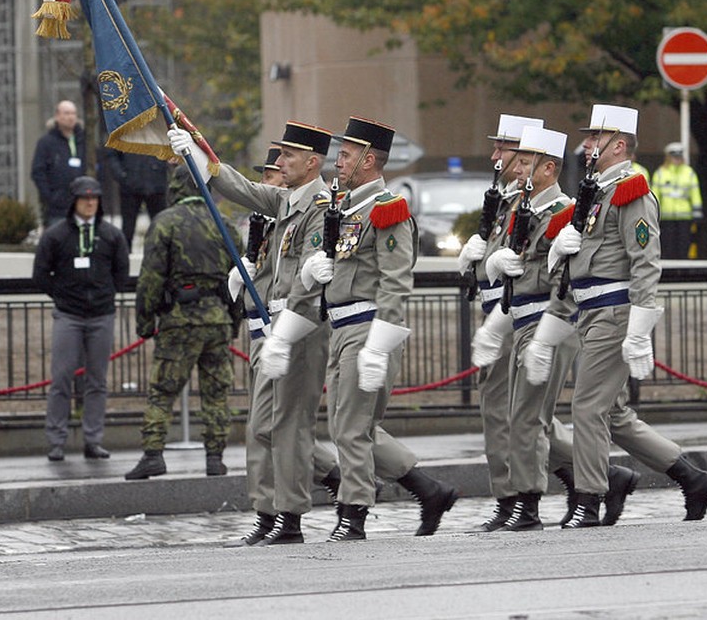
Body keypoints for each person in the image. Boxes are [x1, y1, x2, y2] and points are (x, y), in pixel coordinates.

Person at [529, 104, 707, 527]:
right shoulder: (596, 192)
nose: (586, 146)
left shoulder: (630, 189)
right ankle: (694, 480)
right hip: (590, 312)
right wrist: (559, 251)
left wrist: (638, 331)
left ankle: (589, 498)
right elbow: (579, 272)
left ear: (619, 145)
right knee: (613, 414)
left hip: (614, 314)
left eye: (595, 139)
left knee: (587, 408)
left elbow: (645, 262)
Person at [299, 116, 459, 541]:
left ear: (369, 161)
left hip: (369, 328)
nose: (339, 162)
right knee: (349, 425)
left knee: (351, 428)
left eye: (348, 155)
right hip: (342, 326)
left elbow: (396, 279)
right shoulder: (346, 208)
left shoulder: (386, 209)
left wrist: (378, 344)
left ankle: (353, 515)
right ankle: (430, 491)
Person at [201, 122, 338, 546]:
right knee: (260, 426)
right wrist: (201, 159)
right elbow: (240, 188)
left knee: (291, 426)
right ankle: (266, 509)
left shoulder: (320, 205)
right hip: (273, 325)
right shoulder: (284, 200)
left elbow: (311, 276)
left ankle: (290, 517)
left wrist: (283, 334)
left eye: (287, 157)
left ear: (312, 163)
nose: (278, 163)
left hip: (300, 326)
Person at [455, 114, 543, 532]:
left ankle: (523, 498)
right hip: (495, 316)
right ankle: (509, 497)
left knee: (519, 417)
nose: (495, 155)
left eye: (503, 149)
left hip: (519, 320)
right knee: (498, 414)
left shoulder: (536, 203)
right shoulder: (505, 200)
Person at [125, 167, 239, 480]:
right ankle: (215, 458)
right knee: (216, 394)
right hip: (217, 320)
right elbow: (241, 278)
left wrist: (145, 321)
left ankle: (153, 454)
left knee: (163, 391)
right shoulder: (224, 224)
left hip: (180, 320)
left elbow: (150, 279)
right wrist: (235, 322)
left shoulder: (165, 223)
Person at [33, 176, 129, 462]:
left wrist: (105, 294)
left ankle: (93, 439)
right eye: (85, 198)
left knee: (97, 380)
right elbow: (40, 275)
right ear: (74, 201)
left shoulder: (111, 235)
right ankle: (56, 440)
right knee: (61, 378)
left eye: (95, 198)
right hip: (68, 315)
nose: (90, 203)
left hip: (101, 315)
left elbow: (121, 274)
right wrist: (64, 296)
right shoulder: (56, 235)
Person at [31, 100, 89, 226]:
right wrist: (50, 197)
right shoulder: (46, 143)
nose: (70, 117)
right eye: (66, 113)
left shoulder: (83, 140)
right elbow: (38, 172)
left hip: (82, 204)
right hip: (56, 209)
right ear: (57, 116)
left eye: (73, 113)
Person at [104, 148, 169, 253]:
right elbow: (112, 154)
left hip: (156, 185)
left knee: (160, 225)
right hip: (130, 186)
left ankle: (163, 254)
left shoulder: (157, 131)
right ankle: (124, 255)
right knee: (128, 228)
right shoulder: (124, 131)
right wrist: (121, 175)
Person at [651, 141, 702, 259]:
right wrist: (654, 213)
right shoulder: (660, 174)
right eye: (674, 156)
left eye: (679, 156)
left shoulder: (689, 173)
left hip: (685, 217)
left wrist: (697, 214)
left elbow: (695, 194)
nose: (677, 159)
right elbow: (655, 196)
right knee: (668, 245)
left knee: (684, 245)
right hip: (666, 217)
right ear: (668, 157)